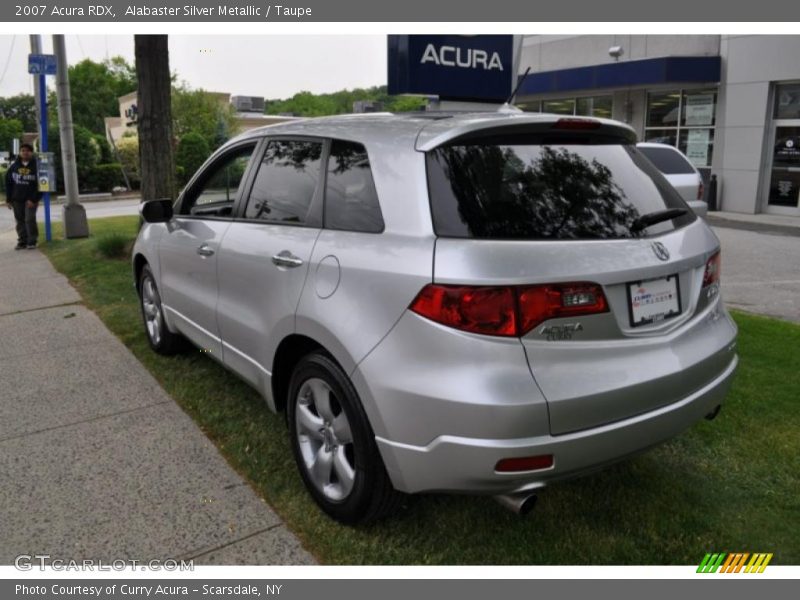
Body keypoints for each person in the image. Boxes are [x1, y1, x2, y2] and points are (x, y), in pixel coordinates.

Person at [4, 143, 42, 250]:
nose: (25, 152)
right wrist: (8, 199)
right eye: (23, 150)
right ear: (20, 152)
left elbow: (42, 185)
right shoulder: (14, 166)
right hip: (17, 199)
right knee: (20, 221)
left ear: (31, 152)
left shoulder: (37, 165)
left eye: (28, 150)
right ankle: (22, 241)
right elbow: (8, 183)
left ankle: (32, 241)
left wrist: (34, 199)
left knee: (29, 219)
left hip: (31, 199)